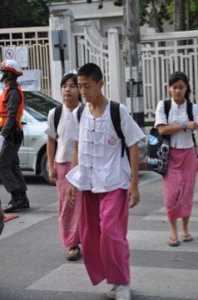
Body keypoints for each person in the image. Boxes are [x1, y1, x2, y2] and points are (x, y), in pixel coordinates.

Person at [66, 63, 145, 300]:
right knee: (90, 237)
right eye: (80, 86)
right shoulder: (79, 113)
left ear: (100, 83)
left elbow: (133, 145)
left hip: (114, 183)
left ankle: (122, 283)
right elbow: (76, 147)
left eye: (87, 86)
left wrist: (133, 184)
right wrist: (72, 181)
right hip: (88, 184)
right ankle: (110, 278)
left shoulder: (117, 111)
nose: (83, 91)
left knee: (112, 233)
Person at [155, 71, 198, 246]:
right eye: (175, 87)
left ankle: (185, 229)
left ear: (186, 88)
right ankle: (173, 231)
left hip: (189, 155)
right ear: (169, 89)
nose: (178, 90)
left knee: (187, 194)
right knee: (171, 196)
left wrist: (191, 125)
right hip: (170, 155)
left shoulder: (193, 108)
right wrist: (183, 125)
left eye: (181, 87)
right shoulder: (163, 106)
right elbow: (162, 130)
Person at [46, 72, 82, 261]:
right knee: (66, 206)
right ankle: (72, 243)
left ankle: (86, 239)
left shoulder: (85, 111)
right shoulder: (55, 113)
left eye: (72, 85)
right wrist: (51, 165)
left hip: (84, 167)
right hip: (63, 165)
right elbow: (51, 140)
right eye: (65, 85)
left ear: (80, 90)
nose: (67, 89)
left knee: (83, 205)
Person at [0, 59, 30, 213]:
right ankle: (22, 198)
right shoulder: (10, 90)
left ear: (9, 74)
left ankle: (17, 198)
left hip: (11, 134)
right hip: (12, 133)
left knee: (3, 166)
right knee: (13, 165)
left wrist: (2, 136)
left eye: (4, 72)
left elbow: (11, 117)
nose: (2, 75)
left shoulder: (13, 92)